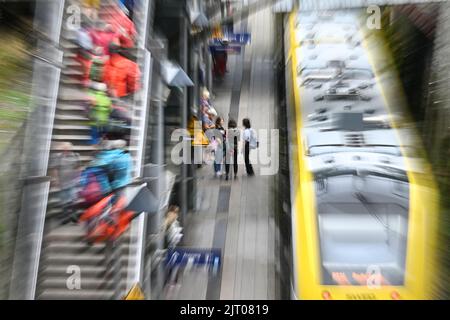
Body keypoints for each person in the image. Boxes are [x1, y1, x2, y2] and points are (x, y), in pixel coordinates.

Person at [50, 142, 81, 223]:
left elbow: (78, 167)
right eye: (64, 149)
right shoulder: (58, 157)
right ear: (62, 149)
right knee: (64, 199)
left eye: (68, 149)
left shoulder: (76, 156)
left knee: (73, 198)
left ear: (71, 149)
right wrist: (55, 179)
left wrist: (78, 177)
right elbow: (55, 169)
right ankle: (66, 216)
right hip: (62, 182)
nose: (66, 151)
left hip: (72, 181)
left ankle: (73, 215)